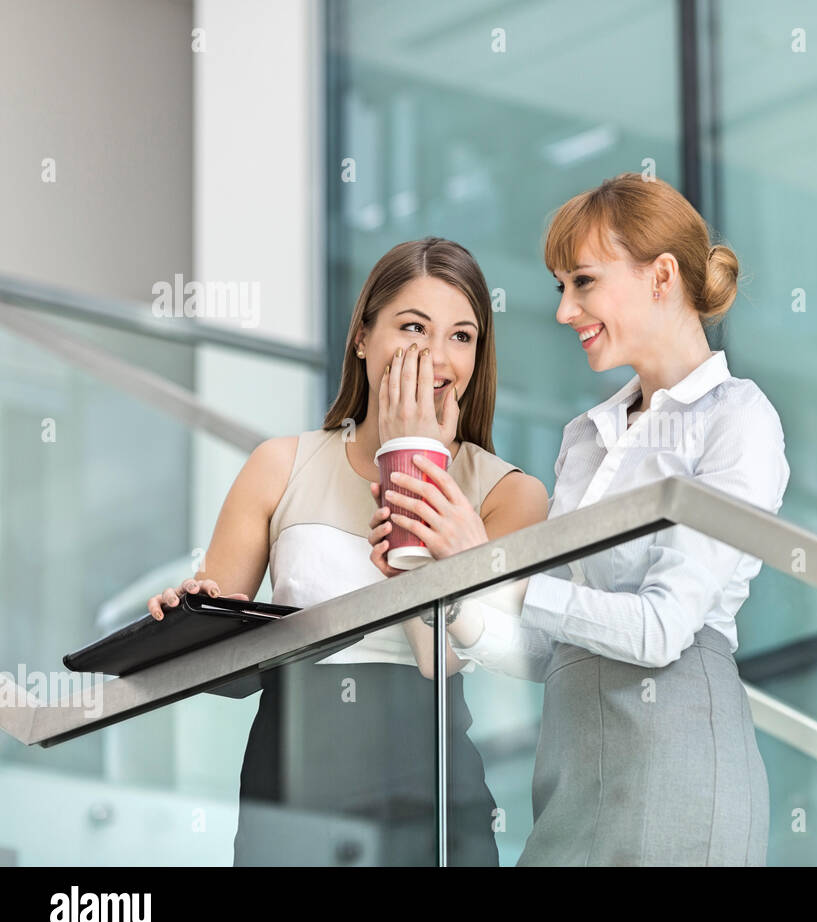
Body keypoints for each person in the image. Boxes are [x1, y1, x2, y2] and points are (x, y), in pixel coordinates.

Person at [368, 174, 789, 865]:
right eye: (560, 286)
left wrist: (491, 566)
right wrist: (457, 594)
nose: (564, 311)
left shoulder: (738, 419)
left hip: (676, 759)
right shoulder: (585, 437)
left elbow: (659, 631)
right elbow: (555, 648)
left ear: (661, 277)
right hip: (569, 768)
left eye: (583, 283)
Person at [145, 237, 549, 866]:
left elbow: (440, 656)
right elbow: (220, 654)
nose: (436, 357)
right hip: (295, 773)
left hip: (432, 786)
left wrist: (419, 460)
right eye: (412, 326)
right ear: (362, 336)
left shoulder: (511, 495)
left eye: (461, 336)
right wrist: (190, 611)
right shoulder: (280, 464)